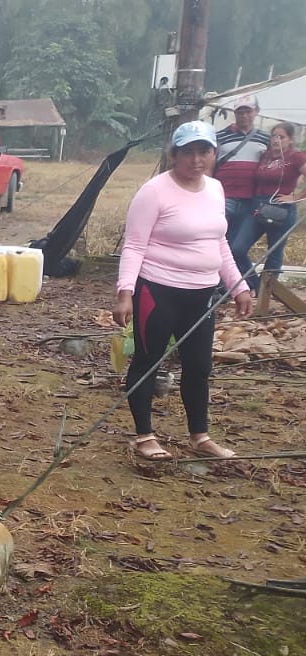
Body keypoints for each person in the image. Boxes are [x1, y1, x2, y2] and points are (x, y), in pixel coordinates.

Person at [114, 121, 254, 461]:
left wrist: (239, 285)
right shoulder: (154, 192)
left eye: (204, 151)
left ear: (214, 154)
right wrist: (125, 293)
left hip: (201, 293)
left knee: (199, 365)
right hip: (158, 290)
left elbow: (219, 243)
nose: (196, 159)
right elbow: (134, 245)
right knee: (148, 360)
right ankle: (144, 435)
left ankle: (199, 436)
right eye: (188, 152)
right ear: (174, 154)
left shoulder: (215, 189)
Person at [230, 121, 305, 291]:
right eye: (274, 136)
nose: (276, 140)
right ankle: (256, 286)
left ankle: (265, 294)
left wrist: (295, 197)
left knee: (274, 253)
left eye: (281, 137)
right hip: (258, 206)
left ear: (290, 140)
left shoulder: (296, 157)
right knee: (237, 248)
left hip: (281, 208)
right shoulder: (266, 156)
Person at [212, 96, 271, 254]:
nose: (244, 115)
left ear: (256, 112)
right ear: (235, 113)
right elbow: (210, 164)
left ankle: (229, 270)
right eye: (240, 112)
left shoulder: (265, 139)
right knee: (217, 238)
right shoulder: (220, 136)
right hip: (224, 197)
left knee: (236, 244)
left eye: (248, 111)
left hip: (250, 199)